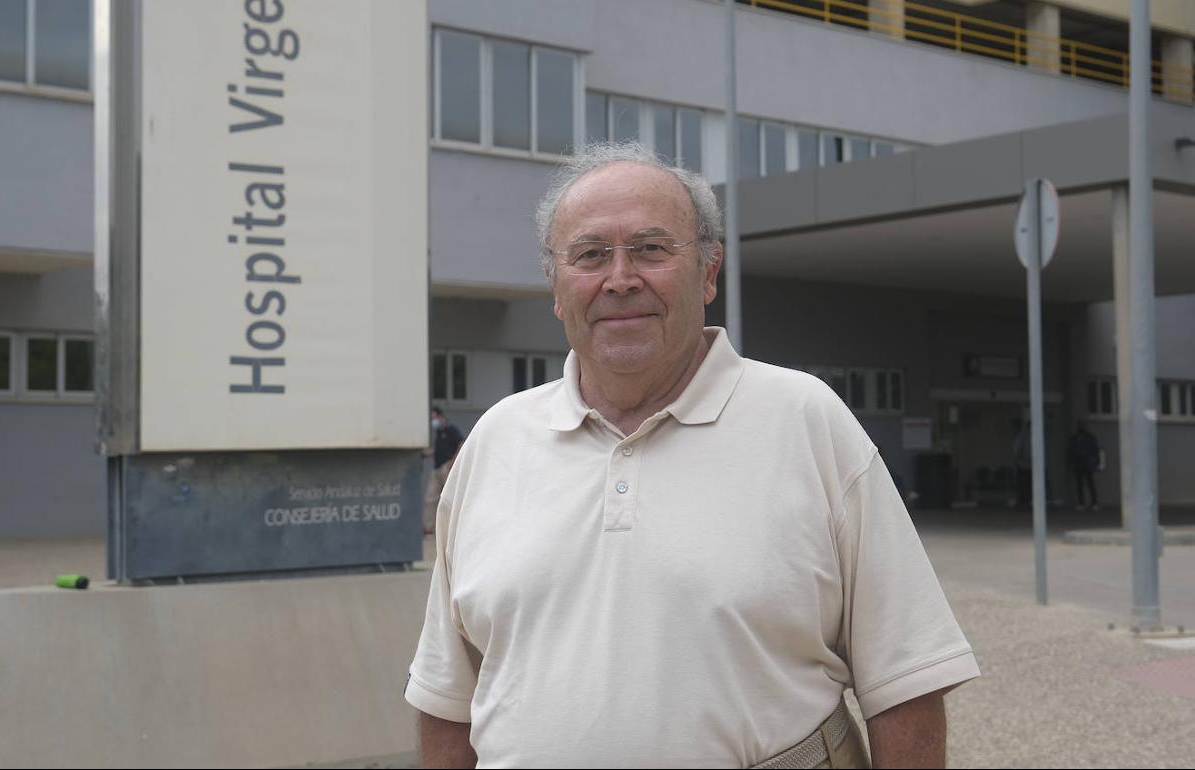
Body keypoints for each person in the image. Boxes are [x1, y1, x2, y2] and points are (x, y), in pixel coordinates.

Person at [406, 142, 978, 768]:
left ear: (708, 273)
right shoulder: (496, 442)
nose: (620, 279)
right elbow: (446, 700)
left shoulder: (806, 422)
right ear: (556, 285)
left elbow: (908, 686)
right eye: (591, 255)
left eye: (650, 249)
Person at [422, 407, 464, 537]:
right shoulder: (438, 433)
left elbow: (461, 444)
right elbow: (436, 450)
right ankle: (428, 528)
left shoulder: (451, 430)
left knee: (450, 498)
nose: (433, 421)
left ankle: (454, 528)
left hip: (447, 467)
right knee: (430, 498)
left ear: (440, 417)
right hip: (436, 468)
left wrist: (453, 462)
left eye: (434, 418)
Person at [1067, 421, 1100, 511]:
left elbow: (1095, 450)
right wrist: (1070, 463)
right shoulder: (1074, 438)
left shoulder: (1090, 438)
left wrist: (1096, 462)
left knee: (1090, 483)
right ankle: (1081, 503)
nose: (1081, 427)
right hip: (1078, 463)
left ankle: (1094, 502)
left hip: (1087, 463)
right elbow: (1070, 452)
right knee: (1079, 485)